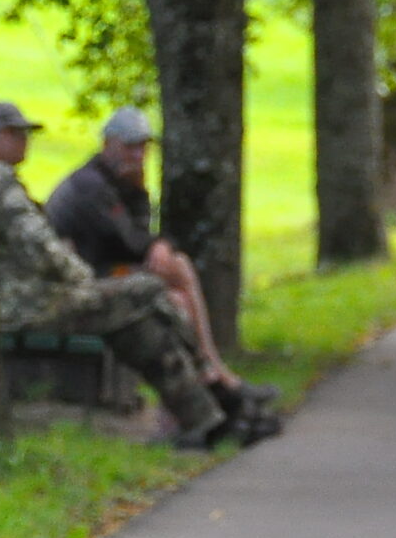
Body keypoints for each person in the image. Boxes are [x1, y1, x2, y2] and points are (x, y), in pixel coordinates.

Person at [0, 102, 274, 450]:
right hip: (25, 303)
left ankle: (205, 418)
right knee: (149, 291)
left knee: (140, 323)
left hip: (25, 297)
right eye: (13, 133)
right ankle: (217, 393)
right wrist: (82, 281)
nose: (23, 141)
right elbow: (44, 248)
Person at [44, 106, 274, 407]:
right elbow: (128, 242)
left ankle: (205, 387)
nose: (138, 155)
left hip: (99, 272)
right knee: (176, 278)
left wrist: (144, 205)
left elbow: (137, 237)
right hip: (76, 284)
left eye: (143, 147)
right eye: (130, 146)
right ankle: (213, 377)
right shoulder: (90, 185)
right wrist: (159, 242)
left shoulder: (120, 182)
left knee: (176, 291)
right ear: (108, 144)